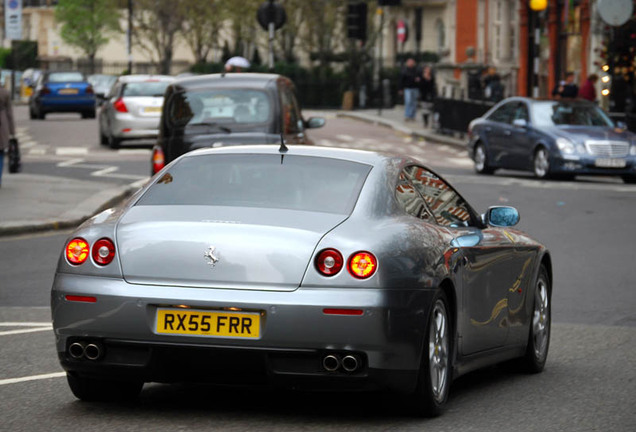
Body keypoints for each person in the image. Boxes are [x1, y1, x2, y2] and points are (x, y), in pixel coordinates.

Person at [0, 81, 16, 188]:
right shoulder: (5, 92)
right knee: (0, 153)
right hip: (2, 125)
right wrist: (12, 132)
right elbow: (10, 113)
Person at [398, 58, 420, 122]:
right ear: (407, 63)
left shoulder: (416, 70)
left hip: (415, 88)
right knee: (408, 102)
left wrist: (418, 80)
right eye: (410, 62)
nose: (411, 63)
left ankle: (412, 116)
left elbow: (419, 78)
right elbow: (401, 80)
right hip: (407, 88)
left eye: (412, 62)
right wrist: (400, 89)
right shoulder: (404, 70)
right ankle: (407, 115)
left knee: (414, 103)